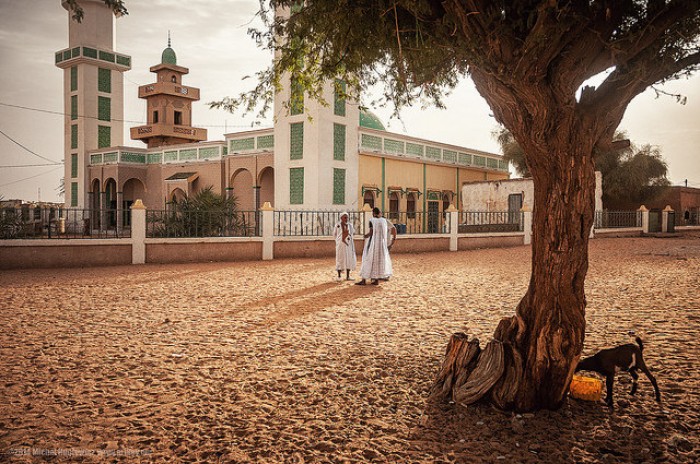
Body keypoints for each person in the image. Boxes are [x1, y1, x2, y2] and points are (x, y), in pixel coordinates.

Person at [356, 207, 396, 286]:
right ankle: (376, 280)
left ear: (373, 213)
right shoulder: (383, 221)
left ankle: (364, 280)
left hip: (372, 243)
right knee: (377, 261)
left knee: (367, 259)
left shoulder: (371, 221)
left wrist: (365, 236)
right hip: (381, 245)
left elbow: (371, 232)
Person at [333, 212, 357, 281]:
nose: (346, 219)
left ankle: (348, 276)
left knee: (348, 259)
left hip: (349, 244)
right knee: (340, 259)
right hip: (340, 245)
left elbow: (352, 233)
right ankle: (339, 276)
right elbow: (334, 234)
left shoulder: (350, 225)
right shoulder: (337, 225)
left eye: (347, 217)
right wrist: (338, 241)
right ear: (341, 218)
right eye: (345, 217)